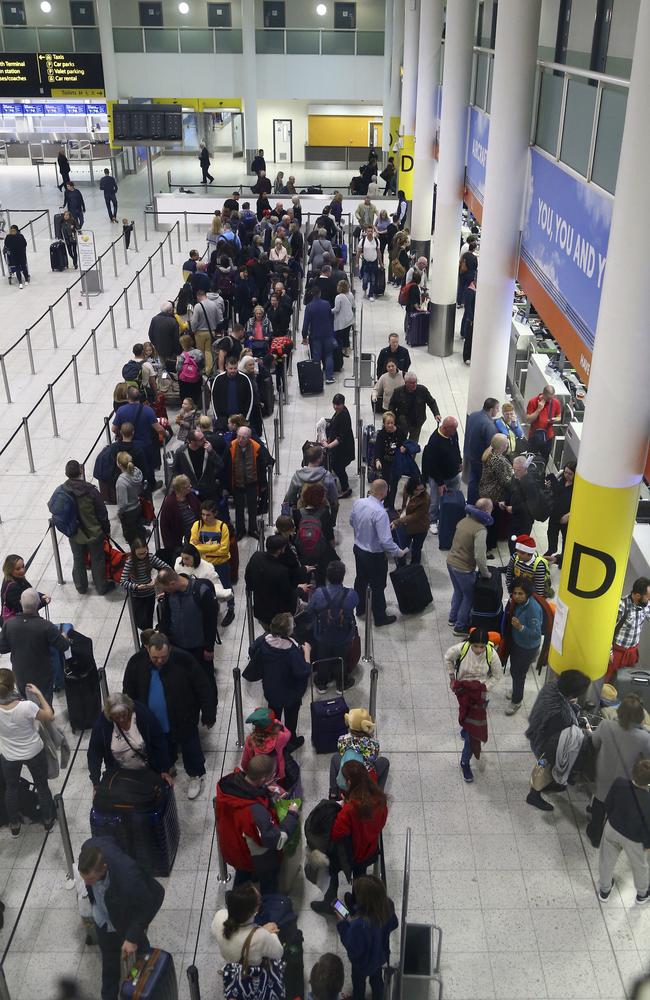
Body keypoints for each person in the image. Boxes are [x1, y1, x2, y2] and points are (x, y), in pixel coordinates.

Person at [122, 631, 217, 800]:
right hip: (153, 722)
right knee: (161, 748)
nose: (159, 661)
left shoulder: (184, 660)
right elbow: (128, 690)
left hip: (183, 718)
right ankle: (168, 767)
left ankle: (195, 776)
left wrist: (209, 713)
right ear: (147, 649)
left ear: (170, 650)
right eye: (155, 657)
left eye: (163, 657)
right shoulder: (136, 663)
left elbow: (203, 686)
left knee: (190, 748)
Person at [77, 838, 164, 1000]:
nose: (86, 883)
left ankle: (145, 991)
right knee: (109, 965)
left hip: (126, 920)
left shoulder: (129, 877)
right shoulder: (89, 848)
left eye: (89, 880)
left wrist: (131, 937)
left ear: (104, 868)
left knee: (142, 958)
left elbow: (155, 898)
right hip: (103, 920)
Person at [312, 761, 388, 914]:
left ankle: (331, 904)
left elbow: (337, 833)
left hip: (351, 852)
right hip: (369, 848)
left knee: (330, 870)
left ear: (349, 781)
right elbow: (382, 821)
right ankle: (356, 904)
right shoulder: (380, 797)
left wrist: (340, 806)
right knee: (360, 877)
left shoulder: (351, 808)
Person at [216, 755, 300, 892]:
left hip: (234, 846)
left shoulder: (230, 785)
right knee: (269, 882)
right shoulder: (256, 812)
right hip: (255, 856)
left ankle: (238, 897)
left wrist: (265, 791)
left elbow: (249, 792)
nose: (274, 778)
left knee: (243, 875)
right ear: (263, 779)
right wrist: (292, 814)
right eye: (272, 776)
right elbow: (276, 839)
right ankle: (268, 906)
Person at [586, 695, 650, 848]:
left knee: (599, 802)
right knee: (617, 805)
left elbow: (594, 743)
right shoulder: (644, 737)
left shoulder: (606, 725)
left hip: (602, 771)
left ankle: (595, 835)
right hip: (625, 779)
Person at [0, 669, 57, 836]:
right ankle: (47, 821)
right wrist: (39, 694)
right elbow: (49, 715)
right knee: (42, 786)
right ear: (12, 685)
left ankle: (15, 825)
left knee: (10, 789)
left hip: (9, 755)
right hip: (33, 751)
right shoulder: (27, 706)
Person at [524, 668, 590, 811]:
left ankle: (548, 784)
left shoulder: (552, 687)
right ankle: (533, 795)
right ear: (571, 693)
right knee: (543, 768)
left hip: (537, 733)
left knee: (544, 767)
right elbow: (565, 733)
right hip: (545, 746)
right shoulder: (560, 714)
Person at [444, 629, 502, 782]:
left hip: (480, 696)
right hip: (463, 693)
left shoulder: (491, 654)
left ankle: (465, 761)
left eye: (482, 646)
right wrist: (452, 678)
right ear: (470, 643)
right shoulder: (461, 648)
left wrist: (484, 688)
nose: (479, 650)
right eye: (476, 646)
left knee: (472, 734)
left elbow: (497, 675)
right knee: (465, 715)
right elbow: (448, 658)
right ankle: (465, 729)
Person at [245, 612, 310, 746]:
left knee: (274, 716)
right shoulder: (291, 652)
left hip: (271, 689)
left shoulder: (264, 640)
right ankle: (291, 740)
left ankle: (274, 738)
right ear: (289, 631)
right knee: (291, 718)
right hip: (291, 694)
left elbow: (252, 650)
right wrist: (307, 653)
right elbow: (303, 671)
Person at [350, 480, 408, 627]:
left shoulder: (359, 503)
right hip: (374, 556)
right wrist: (399, 552)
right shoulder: (380, 513)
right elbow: (386, 541)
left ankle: (360, 608)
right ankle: (380, 617)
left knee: (361, 580)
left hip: (358, 549)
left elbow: (352, 521)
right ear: (384, 493)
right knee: (377, 586)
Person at [87, 692, 172, 789]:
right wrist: (96, 782)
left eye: (124, 715)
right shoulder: (102, 726)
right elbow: (94, 754)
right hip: (119, 776)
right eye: (116, 717)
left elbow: (159, 741)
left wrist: (164, 769)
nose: (121, 719)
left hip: (148, 770)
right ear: (110, 715)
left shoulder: (143, 715)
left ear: (129, 709)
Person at [335, 874, 398, 1000]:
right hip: (380, 956)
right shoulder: (388, 906)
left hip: (362, 964)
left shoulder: (359, 926)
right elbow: (394, 924)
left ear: (363, 901)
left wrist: (343, 923)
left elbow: (352, 947)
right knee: (377, 980)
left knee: (358, 983)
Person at [598, 758, 650, 904]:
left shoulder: (619, 783)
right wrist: (647, 844)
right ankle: (642, 894)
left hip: (612, 828)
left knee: (606, 860)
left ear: (633, 772)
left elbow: (608, 803)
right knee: (640, 866)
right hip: (634, 839)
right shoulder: (648, 799)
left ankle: (604, 890)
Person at [58, 459, 113, 595]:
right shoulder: (91, 491)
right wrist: (106, 529)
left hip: (75, 533)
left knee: (78, 558)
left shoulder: (62, 490)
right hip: (94, 532)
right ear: (81, 471)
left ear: (66, 474)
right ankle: (101, 587)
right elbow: (102, 513)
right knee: (97, 559)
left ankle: (81, 587)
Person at [155, 568, 220, 676]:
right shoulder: (170, 593)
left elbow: (211, 622)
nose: (165, 592)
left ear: (172, 584)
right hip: (177, 646)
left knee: (204, 679)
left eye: (165, 589)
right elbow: (166, 616)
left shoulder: (202, 591)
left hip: (199, 647)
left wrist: (209, 648)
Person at [309, 560, 359, 694]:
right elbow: (354, 605)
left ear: (327, 576)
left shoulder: (319, 593)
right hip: (344, 634)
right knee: (341, 657)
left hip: (322, 634)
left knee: (323, 656)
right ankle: (341, 683)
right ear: (342, 577)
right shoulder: (351, 594)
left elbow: (310, 609)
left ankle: (322, 684)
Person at [446, 498, 494, 637]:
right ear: (485, 511)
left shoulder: (463, 521)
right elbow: (480, 556)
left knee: (458, 591)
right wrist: (486, 573)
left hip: (450, 562)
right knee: (469, 596)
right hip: (464, 568)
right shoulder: (480, 529)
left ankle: (452, 617)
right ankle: (460, 626)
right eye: (490, 510)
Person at [211, 882, 284, 964]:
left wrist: (261, 931)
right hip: (251, 969)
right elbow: (279, 953)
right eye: (259, 902)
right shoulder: (261, 937)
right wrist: (270, 934)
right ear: (252, 911)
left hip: (230, 960)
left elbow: (215, 932)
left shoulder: (219, 916)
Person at [245, 535, 308, 629]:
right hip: (276, 617)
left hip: (260, 610)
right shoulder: (281, 571)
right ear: (280, 550)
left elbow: (248, 579)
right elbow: (287, 595)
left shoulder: (256, 556)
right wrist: (300, 589)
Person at [189, 500, 236, 627]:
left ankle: (231, 609)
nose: (205, 518)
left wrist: (203, 548)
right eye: (203, 514)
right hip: (203, 566)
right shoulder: (197, 526)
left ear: (215, 513)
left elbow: (224, 550)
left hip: (221, 564)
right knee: (206, 588)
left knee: (226, 586)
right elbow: (193, 547)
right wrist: (214, 547)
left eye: (208, 515)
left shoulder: (222, 527)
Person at [503, 578, 543, 715]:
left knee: (519, 674)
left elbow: (536, 634)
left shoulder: (533, 609)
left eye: (521, 594)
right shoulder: (518, 603)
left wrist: (520, 627)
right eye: (515, 593)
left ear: (528, 594)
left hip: (526, 648)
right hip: (517, 642)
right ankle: (516, 690)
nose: (517, 596)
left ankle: (516, 701)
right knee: (514, 670)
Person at [226, 425, 270, 540]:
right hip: (237, 483)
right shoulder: (231, 446)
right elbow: (226, 466)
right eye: (238, 436)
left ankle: (253, 529)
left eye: (243, 437)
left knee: (252, 508)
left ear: (249, 438)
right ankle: (240, 530)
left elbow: (261, 468)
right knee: (239, 509)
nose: (240, 440)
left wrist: (263, 484)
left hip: (252, 483)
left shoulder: (256, 447)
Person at [421, 416, 463, 534]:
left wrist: (459, 461)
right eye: (453, 429)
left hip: (453, 475)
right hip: (438, 478)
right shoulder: (434, 442)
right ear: (445, 428)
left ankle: (447, 518)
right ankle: (432, 521)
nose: (455, 431)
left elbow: (456, 447)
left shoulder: (453, 434)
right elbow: (432, 465)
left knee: (453, 497)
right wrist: (440, 483)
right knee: (435, 501)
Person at [119, 540, 170, 631]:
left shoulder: (150, 557)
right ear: (134, 552)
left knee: (148, 619)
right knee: (140, 621)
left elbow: (167, 568)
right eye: (139, 554)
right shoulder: (130, 561)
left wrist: (157, 580)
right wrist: (136, 586)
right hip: (137, 595)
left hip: (149, 593)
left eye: (144, 553)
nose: (142, 556)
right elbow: (123, 581)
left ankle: (148, 638)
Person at [607, 577, 650, 681]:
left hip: (632, 653)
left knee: (625, 681)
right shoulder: (621, 605)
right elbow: (607, 632)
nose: (649, 600)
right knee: (608, 681)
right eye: (648, 597)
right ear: (637, 595)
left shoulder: (646, 605)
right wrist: (609, 652)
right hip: (617, 653)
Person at [294, 482, 337, 585]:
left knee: (304, 580)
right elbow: (329, 536)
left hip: (303, 553)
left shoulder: (298, 513)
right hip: (320, 553)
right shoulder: (325, 513)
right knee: (321, 580)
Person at [284, 445, 340, 519]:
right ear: (320, 459)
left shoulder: (298, 476)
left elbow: (289, 498)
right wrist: (332, 520)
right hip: (322, 514)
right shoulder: (327, 476)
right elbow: (335, 501)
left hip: (302, 513)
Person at [240, 706, 292, 785]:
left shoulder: (250, 740)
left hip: (259, 777)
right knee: (279, 788)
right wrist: (277, 722)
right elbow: (288, 734)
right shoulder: (280, 737)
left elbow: (245, 762)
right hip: (277, 773)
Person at [479, 433, 513, 551]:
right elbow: (506, 482)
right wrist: (516, 478)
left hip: (486, 491)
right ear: (502, 446)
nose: (508, 445)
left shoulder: (490, 453)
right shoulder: (498, 460)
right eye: (506, 443)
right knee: (492, 523)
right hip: (494, 496)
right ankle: (489, 546)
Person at [171, 429, 224, 503]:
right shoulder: (181, 452)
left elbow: (220, 465)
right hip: (190, 491)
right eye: (201, 439)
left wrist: (211, 452)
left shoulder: (208, 449)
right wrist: (183, 484)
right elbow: (175, 470)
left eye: (204, 437)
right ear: (192, 441)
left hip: (208, 490)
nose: (205, 440)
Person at [463, 398, 500, 504]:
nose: (498, 411)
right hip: (480, 460)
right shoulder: (489, 425)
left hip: (470, 455)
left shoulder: (473, 415)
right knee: (481, 485)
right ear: (491, 409)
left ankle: (470, 504)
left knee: (472, 481)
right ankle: (479, 505)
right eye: (497, 408)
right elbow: (492, 446)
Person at [500, 456, 540, 548]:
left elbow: (531, 504)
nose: (515, 472)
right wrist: (505, 501)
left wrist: (514, 509)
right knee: (511, 542)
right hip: (513, 518)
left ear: (525, 468)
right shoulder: (515, 477)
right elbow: (510, 491)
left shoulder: (530, 484)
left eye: (518, 470)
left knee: (520, 545)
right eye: (514, 469)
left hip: (524, 521)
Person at [390, 373, 440, 444]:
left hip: (417, 420)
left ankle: (411, 455)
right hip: (402, 421)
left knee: (413, 442)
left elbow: (431, 402)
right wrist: (391, 417)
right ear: (406, 383)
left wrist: (436, 414)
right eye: (412, 383)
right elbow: (392, 405)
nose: (414, 385)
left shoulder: (423, 390)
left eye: (415, 382)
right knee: (401, 439)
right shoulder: (398, 392)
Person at [391, 477, 430, 566]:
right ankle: (402, 568)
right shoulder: (407, 489)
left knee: (416, 550)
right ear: (412, 487)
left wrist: (397, 521)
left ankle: (414, 569)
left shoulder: (425, 499)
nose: (420, 492)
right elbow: (405, 503)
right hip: (405, 524)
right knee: (402, 548)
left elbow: (415, 516)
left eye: (422, 489)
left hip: (420, 527)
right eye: (417, 489)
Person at [544, 461, 576, 567]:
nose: (566, 475)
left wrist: (569, 515)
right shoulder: (561, 480)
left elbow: (579, 504)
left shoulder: (577, 487)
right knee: (551, 534)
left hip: (566, 517)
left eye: (570, 474)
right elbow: (556, 492)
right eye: (565, 472)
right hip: (555, 514)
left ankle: (562, 560)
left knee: (566, 540)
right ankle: (551, 550)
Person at [302, 285, 336, 385]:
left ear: (312, 294)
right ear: (320, 293)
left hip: (315, 335)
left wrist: (304, 336)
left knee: (316, 357)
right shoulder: (326, 304)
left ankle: (317, 378)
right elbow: (331, 318)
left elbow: (306, 323)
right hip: (327, 334)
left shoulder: (309, 307)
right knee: (329, 355)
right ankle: (329, 377)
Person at [374, 411, 407, 510]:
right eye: (388, 423)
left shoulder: (400, 432)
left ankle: (391, 504)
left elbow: (405, 443)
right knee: (386, 483)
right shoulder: (381, 434)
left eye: (392, 423)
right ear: (384, 424)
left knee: (394, 484)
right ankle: (386, 502)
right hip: (386, 463)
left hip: (396, 463)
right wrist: (377, 460)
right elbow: (378, 449)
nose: (390, 425)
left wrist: (404, 447)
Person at [211, 356, 256, 430]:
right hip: (223, 418)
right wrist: (218, 418)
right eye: (231, 368)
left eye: (235, 368)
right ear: (226, 367)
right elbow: (214, 399)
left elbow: (250, 398)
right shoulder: (218, 379)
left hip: (240, 417)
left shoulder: (244, 379)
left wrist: (246, 418)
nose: (233, 371)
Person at [324, 394, 355, 498]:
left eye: (338, 404)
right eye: (335, 404)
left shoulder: (344, 416)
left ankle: (345, 488)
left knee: (338, 467)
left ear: (343, 404)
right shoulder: (339, 412)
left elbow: (340, 438)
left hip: (344, 449)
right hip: (340, 449)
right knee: (337, 466)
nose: (336, 406)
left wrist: (329, 446)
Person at [1, 554, 49, 620]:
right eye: (18, 569)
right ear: (10, 570)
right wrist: (43, 602)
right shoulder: (12, 588)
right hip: (16, 624)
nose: (22, 570)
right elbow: (25, 609)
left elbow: (29, 591)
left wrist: (41, 596)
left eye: (23, 566)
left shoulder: (17, 578)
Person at [526, 384, 562, 466]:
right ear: (543, 394)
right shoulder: (533, 402)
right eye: (549, 398)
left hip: (548, 437)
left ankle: (541, 475)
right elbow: (528, 419)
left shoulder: (555, 402)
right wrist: (538, 409)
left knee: (545, 459)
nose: (550, 400)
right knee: (530, 458)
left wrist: (555, 419)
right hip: (534, 436)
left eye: (552, 397)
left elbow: (559, 417)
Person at [115, 452, 145, 545]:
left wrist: (119, 513)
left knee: (131, 538)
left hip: (128, 512)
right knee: (139, 531)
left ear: (119, 465)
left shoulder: (121, 482)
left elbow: (123, 503)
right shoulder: (137, 472)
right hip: (138, 505)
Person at [357, 226, 383, 302]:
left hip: (374, 262)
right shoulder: (363, 240)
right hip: (366, 263)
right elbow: (358, 251)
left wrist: (380, 263)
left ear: (373, 232)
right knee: (365, 279)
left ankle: (370, 294)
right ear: (366, 232)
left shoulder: (376, 241)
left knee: (373, 280)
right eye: (368, 231)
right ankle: (364, 288)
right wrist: (357, 262)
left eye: (371, 231)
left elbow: (378, 252)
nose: (370, 233)